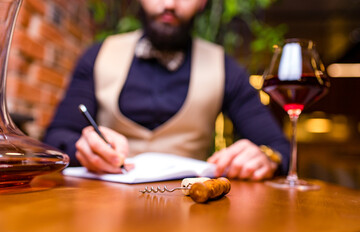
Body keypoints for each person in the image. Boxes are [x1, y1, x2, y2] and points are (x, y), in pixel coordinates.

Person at [44, 0, 290, 180]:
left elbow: (278, 147)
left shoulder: (226, 67)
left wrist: (266, 157)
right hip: (101, 207)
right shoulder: (97, 55)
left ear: (203, 3)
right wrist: (82, 147)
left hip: (191, 208)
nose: (170, 4)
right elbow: (55, 138)